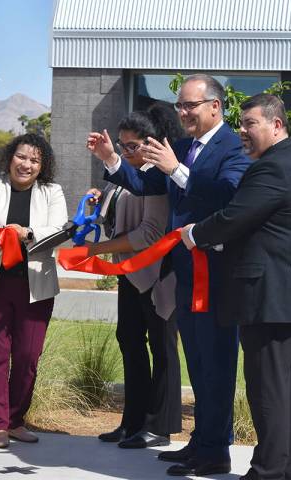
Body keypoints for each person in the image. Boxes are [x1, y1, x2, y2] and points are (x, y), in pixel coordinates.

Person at [87, 74, 251, 476]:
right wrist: (112, 159)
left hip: (216, 274)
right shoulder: (180, 146)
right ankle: (201, 442)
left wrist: (178, 170)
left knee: (217, 361)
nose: (182, 112)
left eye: (189, 105)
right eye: (179, 105)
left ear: (216, 106)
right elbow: (144, 185)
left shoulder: (234, 147)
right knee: (196, 359)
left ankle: (216, 450)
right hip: (184, 273)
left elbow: (227, 196)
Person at [181, 93, 291, 480]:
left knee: (268, 390)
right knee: (290, 390)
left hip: (273, 297)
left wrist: (196, 233)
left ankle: (267, 472)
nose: (242, 132)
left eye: (250, 124)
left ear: (276, 125)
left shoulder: (272, 168)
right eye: (241, 124)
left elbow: (234, 216)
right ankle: (284, 472)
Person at [0, 133, 68, 449]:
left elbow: (59, 230)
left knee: (27, 356)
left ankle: (15, 419)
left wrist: (27, 233)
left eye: (34, 160)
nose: (26, 164)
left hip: (35, 286)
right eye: (21, 157)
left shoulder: (52, 192)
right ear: (10, 157)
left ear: (42, 165)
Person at [90, 103, 183, 449]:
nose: (125, 151)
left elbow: (150, 233)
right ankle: (132, 422)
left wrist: (99, 251)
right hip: (129, 274)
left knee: (163, 348)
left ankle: (160, 426)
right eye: (121, 145)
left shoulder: (157, 176)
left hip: (158, 277)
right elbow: (114, 218)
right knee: (130, 342)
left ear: (151, 142)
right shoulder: (124, 177)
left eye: (132, 146)